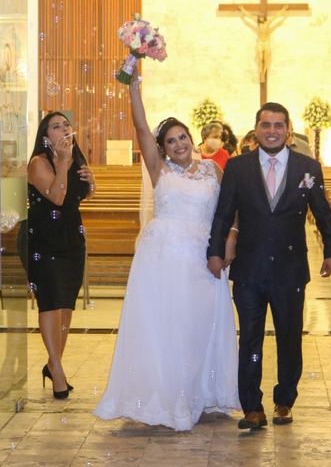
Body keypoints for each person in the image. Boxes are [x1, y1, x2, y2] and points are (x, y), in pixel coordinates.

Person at [95, 68, 239, 430]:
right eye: (171, 141)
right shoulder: (159, 170)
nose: (179, 144)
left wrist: (231, 238)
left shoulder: (212, 172)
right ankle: (166, 396)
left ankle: (201, 393)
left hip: (203, 258)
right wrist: (134, 90)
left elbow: (230, 210)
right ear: (162, 148)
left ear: (192, 138)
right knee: (168, 325)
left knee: (200, 325)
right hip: (164, 259)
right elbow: (142, 128)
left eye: (182, 137)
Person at [207, 102, 331, 430]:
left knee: (289, 336)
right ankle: (251, 406)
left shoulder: (306, 167)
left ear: (288, 129)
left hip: (290, 268)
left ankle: (284, 399)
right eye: (266, 125)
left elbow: (322, 212)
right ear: (256, 130)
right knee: (250, 337)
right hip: (250, 269)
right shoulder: (238, 168)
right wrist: (214, 251)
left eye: (278, 125)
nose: (271, 131)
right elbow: (224, 213)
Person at [27, 111, 95, 400]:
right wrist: (63, 163)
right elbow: (56, 196)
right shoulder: (38, 163)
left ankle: (54, 362)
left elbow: (78, 196)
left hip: (71, 239)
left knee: (66, 305)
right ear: (46, 136)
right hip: (44, 240)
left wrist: (91, 182)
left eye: (67, 124)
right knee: (50, 304)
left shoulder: (76, 157)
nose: (64, 129)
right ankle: (56, 369)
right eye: (56, 126)